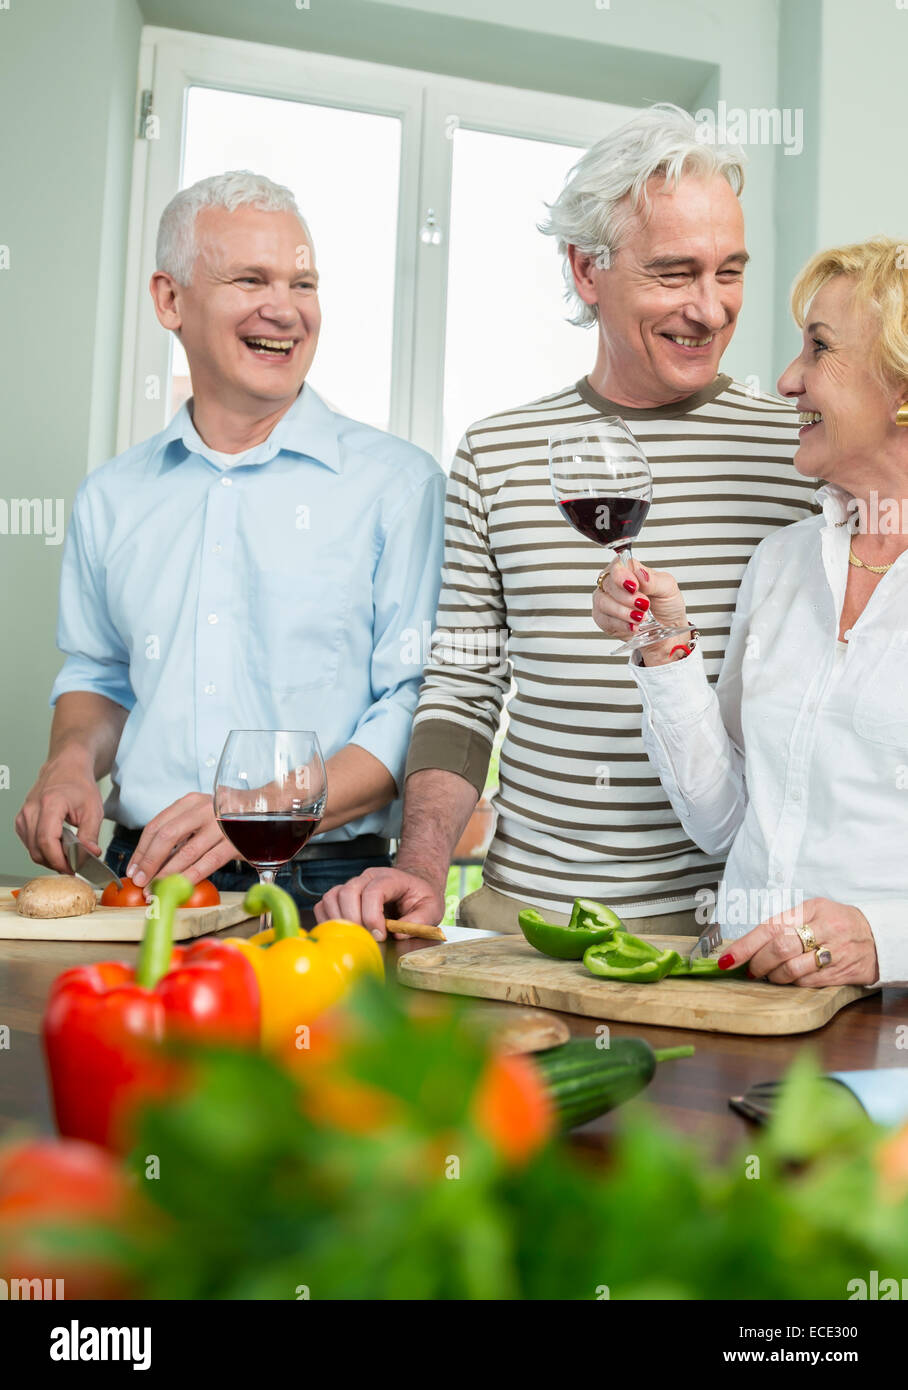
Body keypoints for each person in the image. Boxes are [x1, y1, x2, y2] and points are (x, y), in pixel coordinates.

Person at [316, 103, 821, 939]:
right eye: (673, 273)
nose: (710, 309)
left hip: (727, 933)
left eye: (729, 271)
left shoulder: (799, 456)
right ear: (587, 271)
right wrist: (420, 866)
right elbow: (463, 688)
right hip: (521, 921)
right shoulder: (496, 452)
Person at [16, 171, 444, 907]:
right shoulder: (111, 497)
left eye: (303, 284)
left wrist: (262, 812)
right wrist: (70, 763)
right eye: (251, 279)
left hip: (326, 887)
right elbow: (100, 674)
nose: (285, 309)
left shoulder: (399, 486)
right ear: (169, 299)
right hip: (137, 878)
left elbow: (416, 702)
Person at [594, 237, 908, 986]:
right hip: (742, 1004)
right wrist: (664, 647)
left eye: (819, 349)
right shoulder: (785, 562)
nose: (788, 379)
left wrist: (884, 937)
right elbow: (724, 821)